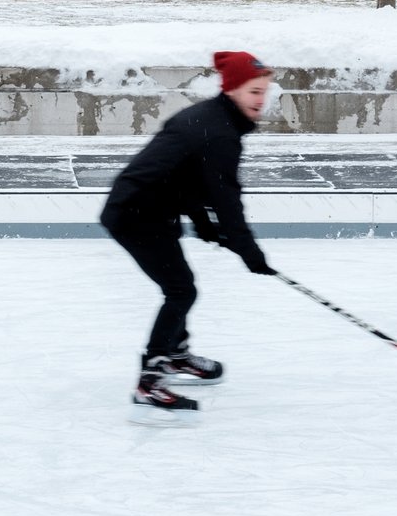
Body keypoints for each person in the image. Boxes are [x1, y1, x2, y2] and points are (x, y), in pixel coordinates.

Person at [101, 50, 276, 421]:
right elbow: (227, 198)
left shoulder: (214, 121)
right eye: (254, 92)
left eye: (264, 92)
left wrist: (205, 225)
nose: (261, 101)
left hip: (151, 209)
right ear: (231, 91)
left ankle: (176, 354)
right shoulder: (219, 131)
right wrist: (249, 252)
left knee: (180, 286)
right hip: (135, 215)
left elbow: (190, 178)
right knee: (181, 290)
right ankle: (150, 380)